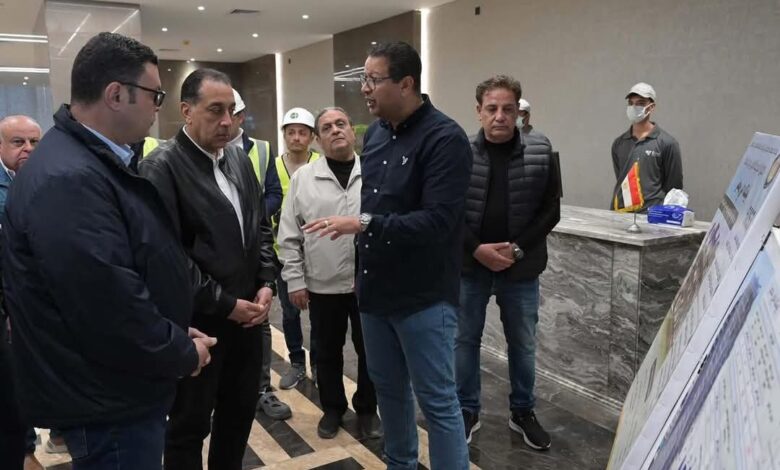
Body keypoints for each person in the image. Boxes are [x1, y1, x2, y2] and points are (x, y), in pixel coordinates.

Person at [2, 32, 215, 470]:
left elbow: (125, 269)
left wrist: (172, 329)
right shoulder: (70, 178)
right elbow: (108, 307)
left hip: (117, 383)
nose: (158, 108)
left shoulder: (87, 159)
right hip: (109, 398)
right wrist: (179, 351)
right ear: (116, 94)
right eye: (155, 95)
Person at [304, 41, 472, 470]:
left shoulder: (445, 138)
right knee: (389, 392)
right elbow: (378, 204)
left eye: (373, 80)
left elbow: (439, 222)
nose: (364, 88)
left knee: (437, 401)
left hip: (424, 298)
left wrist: (364, 224)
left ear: (406, 83)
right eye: (364, 79)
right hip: (375, 295)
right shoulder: (376, 134)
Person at [139, 68, 276, 470]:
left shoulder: (237, 158)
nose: (227, 122)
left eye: (232, 110)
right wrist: (225, 303)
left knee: (239, 414)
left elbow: (259, 226)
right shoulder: (161, 167)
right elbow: (167, 257)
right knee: (188, 425)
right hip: (198, 324)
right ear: (186, 110)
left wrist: (266, 280)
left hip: (248, 318)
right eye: (215, 110)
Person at [457, 75, 560, 450]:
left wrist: (516, 250)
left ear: (518, 112)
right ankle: (467, 409)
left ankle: (522, 411)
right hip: (470, 267)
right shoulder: (459, 152)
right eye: (492, 108)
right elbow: (446, 210)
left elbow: (551, 210)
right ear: (478, 111)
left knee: (523, 343)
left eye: (507, 109)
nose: (499, 116)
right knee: (464, 341)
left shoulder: (541, 149)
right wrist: (477, 249)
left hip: (521, 268)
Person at [278, 107, 381, 440]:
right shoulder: (303, 179)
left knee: (371, 350)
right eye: (326, 127)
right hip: (323, 284)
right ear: (318, 140)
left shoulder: (374, 172)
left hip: (369, 283)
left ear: (352, 131)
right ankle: (333, 408)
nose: (335, 130)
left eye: (341, 124)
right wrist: (295, 280)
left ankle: (367, 408)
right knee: (326, 351)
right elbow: (289, 235)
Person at [227, 88, 290, 421]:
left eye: (233, 113)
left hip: (254, 248)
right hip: (218, 258)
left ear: (241, 115)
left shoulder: (261, 151)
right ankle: (222, 389)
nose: (226, 122)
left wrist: (251, 218)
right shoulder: (184, 157)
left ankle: (261, 387)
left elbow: (274, 193)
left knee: (259, 319)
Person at [0, 115, 44, 470]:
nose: (28, 149)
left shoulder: (45, 179)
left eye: (34, 142)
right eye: (18, 142)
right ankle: (25, 450)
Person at [275, 106, 322, 390]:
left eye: (302, 133)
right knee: (290, 312)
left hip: (318, 253)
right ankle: (296, 363)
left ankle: (318, 364)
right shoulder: (274, 166)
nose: (296, 137)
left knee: (320, 314)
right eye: (290, 132)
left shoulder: (321, 164)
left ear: (312, 137)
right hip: (285, 254)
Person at [611, 82, 682, 211]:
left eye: (640, 103)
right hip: (620, 214)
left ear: (651, 107)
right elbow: (622, 179)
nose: (634, 107)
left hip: (652, 217)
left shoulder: (668, 143)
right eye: (631, 103)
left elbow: (674, 189)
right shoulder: (619, 143)